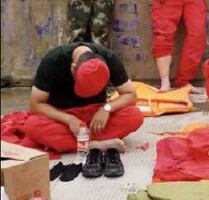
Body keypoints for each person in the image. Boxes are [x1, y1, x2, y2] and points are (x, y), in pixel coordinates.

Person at [23, 43, 143, 178]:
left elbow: (131, 95)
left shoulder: (109, 58)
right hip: (63, 116)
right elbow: (35, 104)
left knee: (135, 115)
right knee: (32, 126)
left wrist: (107, 108)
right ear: (73, 69)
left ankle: (80, 143)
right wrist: (69, 120)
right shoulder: (53, 60)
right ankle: (96, 145)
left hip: (96, 116)